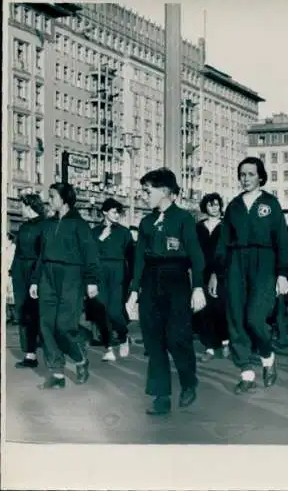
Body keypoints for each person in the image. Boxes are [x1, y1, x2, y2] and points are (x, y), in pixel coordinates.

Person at [126, 168, 206, 415]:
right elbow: (139, 259)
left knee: (177, 338)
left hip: (176, 281)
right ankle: (161, 395)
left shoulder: (183, 219)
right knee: (154, 341)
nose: (143, 196)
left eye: (147, 191)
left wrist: (198, 287)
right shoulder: (146, 222)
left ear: (164, 191)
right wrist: (133, 292)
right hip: (150, 281)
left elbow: (196, 256)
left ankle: (189, 381)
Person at [208, 157, 288, 394]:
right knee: (235, 317)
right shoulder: (233, 205)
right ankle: (246, 373)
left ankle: (267, 357)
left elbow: (282, 241)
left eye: (251, 174)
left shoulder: (271, 204)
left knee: (255, 318)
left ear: (260, 177)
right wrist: (215, 272)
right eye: (242, 174)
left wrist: (283, 274)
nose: (245, 178)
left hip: (264, 262)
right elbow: (223, 242)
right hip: (235, 263)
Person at [29, 182, 101, 389]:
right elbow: (41, 256)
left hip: (71, 276)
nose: (48, 200)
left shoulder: (79, 225)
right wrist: (35, 280)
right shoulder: (48, 224)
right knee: (46, 324)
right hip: (47, 277)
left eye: (52, 196)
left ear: (65, 199)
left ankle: (80, 360)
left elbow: (91, 255)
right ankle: (57, 374)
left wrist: (92, 280)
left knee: (64, 326)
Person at [89, 198, 134, 361]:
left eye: (119, 212)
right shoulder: (94, 232)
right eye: (114, 212)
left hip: (118, 273)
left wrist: (133, 281)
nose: (117, 215)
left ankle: (123, 337)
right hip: (99, 273)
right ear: (105, 212)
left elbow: (132, 257)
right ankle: (108, 348)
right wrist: (101, 239)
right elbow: (89, 254)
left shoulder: (124, 232)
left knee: (115, 311)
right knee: (102, 311)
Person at [10, 194, 45, 368]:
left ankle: (49, 349)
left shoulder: (44, 226)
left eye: (22, 206)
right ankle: (30, 354)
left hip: (37, 272)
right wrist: (13, 273)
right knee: (22, 313)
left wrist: (36, 279)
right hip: (20, 273)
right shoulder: (23, 227)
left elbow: (43, 254)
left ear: (29, 206)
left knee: (38, 313)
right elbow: (17, 252)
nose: (20, 209)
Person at [195, 192, 230, 362]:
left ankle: (225, 341)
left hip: (223, 272)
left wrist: (218, 272)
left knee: (220, 307)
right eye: (210, 205)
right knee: (204, 309)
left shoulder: (226, 226)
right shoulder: (199, 227)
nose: (214, 207)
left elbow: (228, 252)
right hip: (202, 272)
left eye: (216, 204)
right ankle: (209, 347)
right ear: (205, 207)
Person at [271, 209, 288, 349]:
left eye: (287, 219)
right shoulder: (276, 237)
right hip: (281, 277)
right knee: (280, 307)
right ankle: (283, 337)